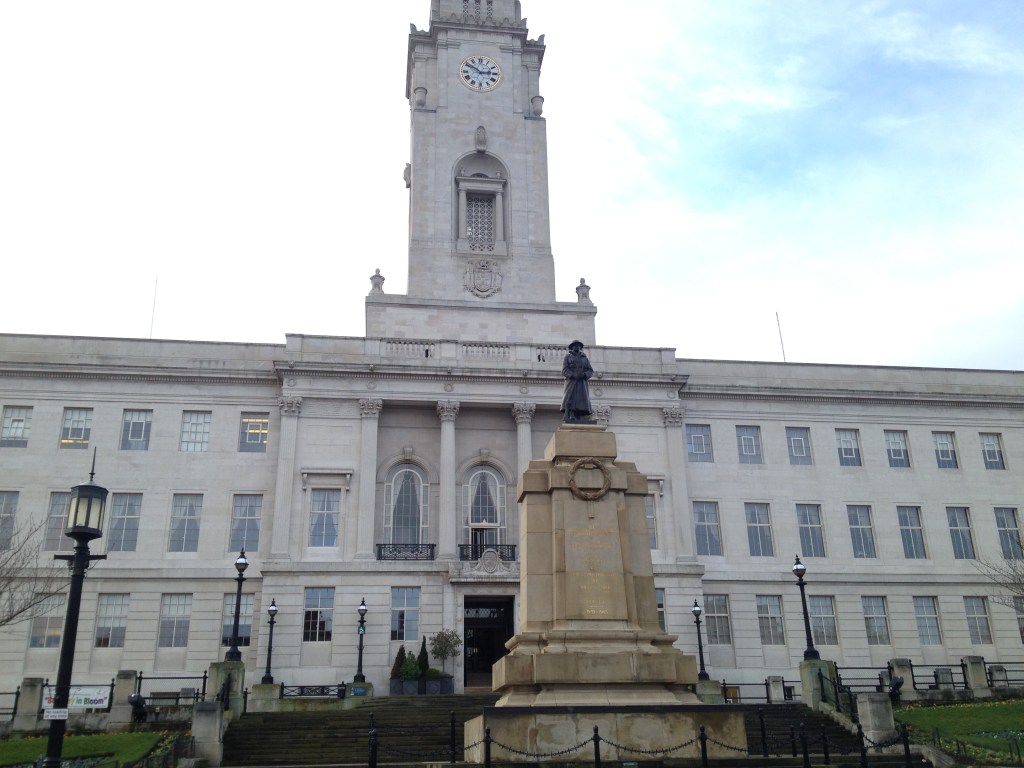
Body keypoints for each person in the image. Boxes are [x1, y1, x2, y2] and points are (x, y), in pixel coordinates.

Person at [561, 340, 593, 423]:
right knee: (571, 398)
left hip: (581, 382)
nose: (577, 347)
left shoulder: (584, 358)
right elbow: (564, 370)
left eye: (578, 345)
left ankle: (580, 415)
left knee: (581, 399)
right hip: (572, 381)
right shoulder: (568, 357)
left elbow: (590, 370)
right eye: (575, 345)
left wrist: (584, 374)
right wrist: (572, 375)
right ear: (572, 347)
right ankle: (571, 414)